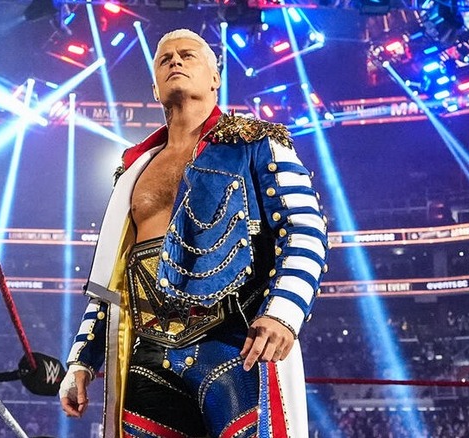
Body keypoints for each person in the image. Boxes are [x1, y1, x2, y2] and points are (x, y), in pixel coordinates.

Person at [59, 28, 328, 437]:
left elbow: (305, 227)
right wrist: (82, 359)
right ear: (154, 87)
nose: (175, 62)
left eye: (188, 55)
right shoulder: (133, 171)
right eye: (165, 59)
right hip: (147, 354)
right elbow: (112, 280)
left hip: (234, 342)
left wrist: (283, 312)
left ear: (215, 78)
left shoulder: (256, 143)